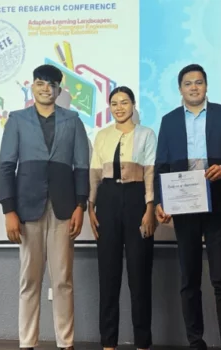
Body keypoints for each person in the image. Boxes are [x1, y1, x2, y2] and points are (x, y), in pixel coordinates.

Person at [0, 64, 90, 350]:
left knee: (63, 279)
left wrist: (81, 206)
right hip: (27, 209)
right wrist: (8, 210)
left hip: (63, 209)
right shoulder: (17, 120)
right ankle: (27, 342)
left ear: (59, 90)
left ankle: (66, 342)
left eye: (51, 84)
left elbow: (82, 167)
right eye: (40, 83)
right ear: (33, 87)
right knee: (30, 279)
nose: (45, 88)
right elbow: (5, 167)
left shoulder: (73, 120)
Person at [154, 64, 221, 350]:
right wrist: (161, 200)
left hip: (219, 202)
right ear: (180, 89)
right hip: (184, 205)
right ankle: (196, 342)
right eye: (188, 83)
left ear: (206, 86)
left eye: (199, 82)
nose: (194, 87)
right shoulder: (168, 121)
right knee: (189, 278)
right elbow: (162, 165)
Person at [88, 86, 157, 350]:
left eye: (124, 102)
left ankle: (142, 343)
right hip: (107, 199)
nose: (119, 107)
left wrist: (150, 207)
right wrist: (91, 206)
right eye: (114, 103)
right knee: (108, 275)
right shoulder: (102, 135)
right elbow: (95, 173)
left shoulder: (146, 134)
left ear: (133, 105)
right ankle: (108, 343)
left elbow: (150, 172)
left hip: (137, 198)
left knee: (139, 276)